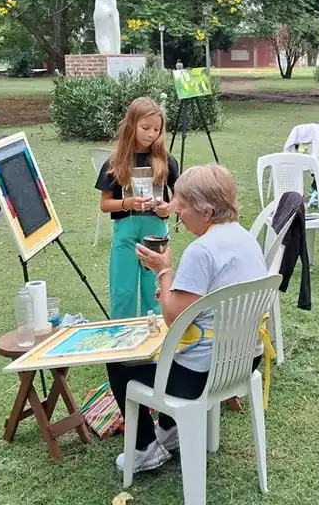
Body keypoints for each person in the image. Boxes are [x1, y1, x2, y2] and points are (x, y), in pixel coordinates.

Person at [106, 164, 268, 474]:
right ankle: (169, 429)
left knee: (120, 362)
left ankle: (144, 449)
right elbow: (210, 295)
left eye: (182, 207)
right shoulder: (245, 238)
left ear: (206, 212)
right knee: (181, 348)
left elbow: (172, 317)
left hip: (201, 376)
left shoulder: (201, 250)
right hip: (244, 362)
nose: (178, 215)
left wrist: (163, 270)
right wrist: (174, 285)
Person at [96, 97, 179, 319]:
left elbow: (180, 196)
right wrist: (128, 203)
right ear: (131, 125)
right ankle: (122, 336)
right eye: (145, 128)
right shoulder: (115, 162)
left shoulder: (165, 159)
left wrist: (168, 208)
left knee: (154, 290)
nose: (151, 134)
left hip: (155, 234)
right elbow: (105, 204)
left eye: (156, 130)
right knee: (123, 289)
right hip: (125, 233)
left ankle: (158, 337)